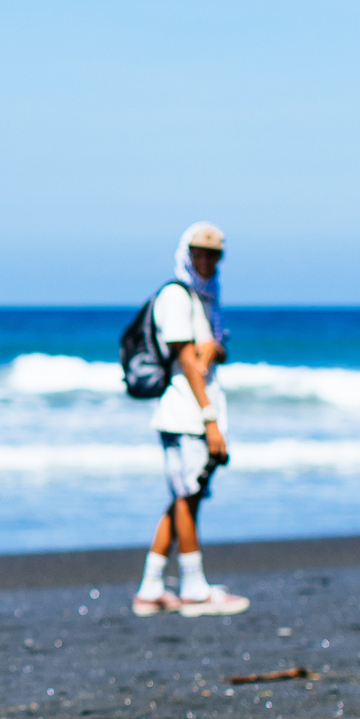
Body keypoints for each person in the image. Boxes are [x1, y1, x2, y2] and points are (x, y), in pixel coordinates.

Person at [131, 224, 249, 617]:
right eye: (199, 251)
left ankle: (151, 588)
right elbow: (187, 360)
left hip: (194, 414)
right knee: (186, 497)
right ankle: (194, 588)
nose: (205, 260)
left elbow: (201, 357)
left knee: (187, 497)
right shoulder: (176, 296)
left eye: (213, 254)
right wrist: (211, 419)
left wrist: (213, 350)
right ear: (186, 252)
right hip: (185, 414)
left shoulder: (204, 297)